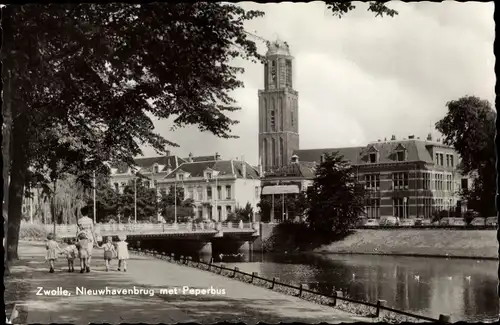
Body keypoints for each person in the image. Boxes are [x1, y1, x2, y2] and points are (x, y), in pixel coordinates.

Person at [77, 206, 95, 272]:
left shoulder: (79, 220)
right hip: (89, 238)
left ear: (81, 213)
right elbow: (92, 230)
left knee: (82, 251)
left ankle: (82, 267)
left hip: (82, 238)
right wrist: (95, 240)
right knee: (89, 252)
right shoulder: (90, 220)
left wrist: (77, 239)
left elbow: (78, 231)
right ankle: (88, 265)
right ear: (87, 213)